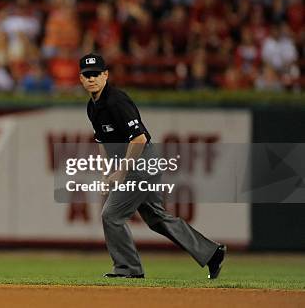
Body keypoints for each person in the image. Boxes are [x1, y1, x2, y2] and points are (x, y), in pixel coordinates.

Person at [78, 53, 226, 279]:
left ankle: (129, 269)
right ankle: (212, 253)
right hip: (134, 164)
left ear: (106, 75)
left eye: (96, 74)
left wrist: (121, 171)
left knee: (111, 216)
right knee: (157, 218)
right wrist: (107, 174)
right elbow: (102, 143)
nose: (91, 79)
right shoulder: (92, 107)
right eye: (87, 75)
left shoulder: (117, 101)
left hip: (141, 163)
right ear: (80, 78)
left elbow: (139, 139)